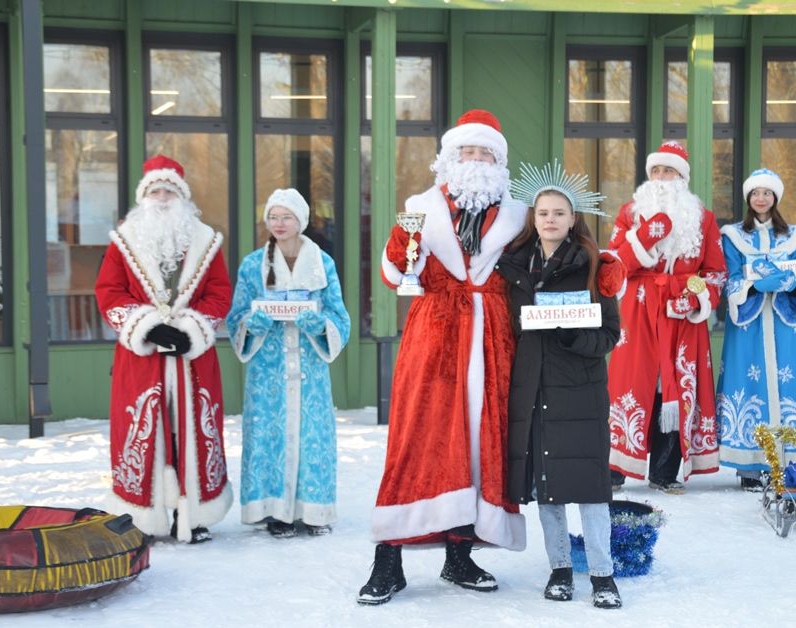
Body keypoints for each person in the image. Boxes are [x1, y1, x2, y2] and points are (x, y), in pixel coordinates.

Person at [356, 110, 528, 606]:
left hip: (493, 340)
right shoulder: (421, 209)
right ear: (449, 160)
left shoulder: (519, 216)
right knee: (418, 441)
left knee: (478, 445)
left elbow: (548, 266)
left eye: (484, 153)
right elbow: (393, 275)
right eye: (466, 152)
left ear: (499, 162)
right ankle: (388, 559)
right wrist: (401, 245)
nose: (475, 161)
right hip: (434, 339)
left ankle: (460, 554)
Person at [497, 162, 624, 608]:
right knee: (548, 487)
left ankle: (603, 576)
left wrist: (573, 335)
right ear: (533, 218)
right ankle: (560, 569)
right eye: (543, 212)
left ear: (573, 219)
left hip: (580, 389)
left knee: (589, 489)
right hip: (533, 388)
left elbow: (610, 334)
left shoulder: (595, 266)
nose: (550, 219)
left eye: (559, 212)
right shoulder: (512, 269)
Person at [95, 155, 233, 544]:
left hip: (193, 359)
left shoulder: (205, 239)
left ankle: (193, 514)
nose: (162, 198)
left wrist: (194, 329)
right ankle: (143, 515)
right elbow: (109, 291)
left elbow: (220, 292)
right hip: (142, 358)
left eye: (169, 191)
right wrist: (147, 327)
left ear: (183, 197)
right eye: (155, 191)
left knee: (191, 430)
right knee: (144, 430)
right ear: (144, 196)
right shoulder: (124, 239)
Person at [226, 188, 351, 537]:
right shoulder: (253, 265)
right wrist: (253, 325)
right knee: (268, 435)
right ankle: (275, 512)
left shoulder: (322, 263)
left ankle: (314, 511)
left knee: (313, 437)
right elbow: (235, 317)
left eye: (287, 217)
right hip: (268, 370)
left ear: (301, 221)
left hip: (310, 369)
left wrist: (319, 325)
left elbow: (339, 315)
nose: (279, 224)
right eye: (273, 217)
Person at [607, 141, 727, 494]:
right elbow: (612, 267)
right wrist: (644, 238)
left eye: (669, 171)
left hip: (681, 318)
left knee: (674, 387)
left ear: (682, 178)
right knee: (629, 384)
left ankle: (664, 470)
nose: (661, 177)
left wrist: (692, 298)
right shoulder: (630, 213)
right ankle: (615, 468)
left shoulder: (703, 219)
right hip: (639, 312)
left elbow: (715, 272)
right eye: (656, 171)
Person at [716, 169, 796, 490]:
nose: (761, 198)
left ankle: (784, 461)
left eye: (767, 193)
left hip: (782, 322)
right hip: (748, 322)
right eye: (755, 193)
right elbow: (730, 278)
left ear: (775, 198)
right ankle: (749, 466)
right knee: (747, 381)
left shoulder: (794, 236)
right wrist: (757, 282)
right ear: (748, 198)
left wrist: (787, 282)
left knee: (785, 384)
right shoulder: (732, 236)